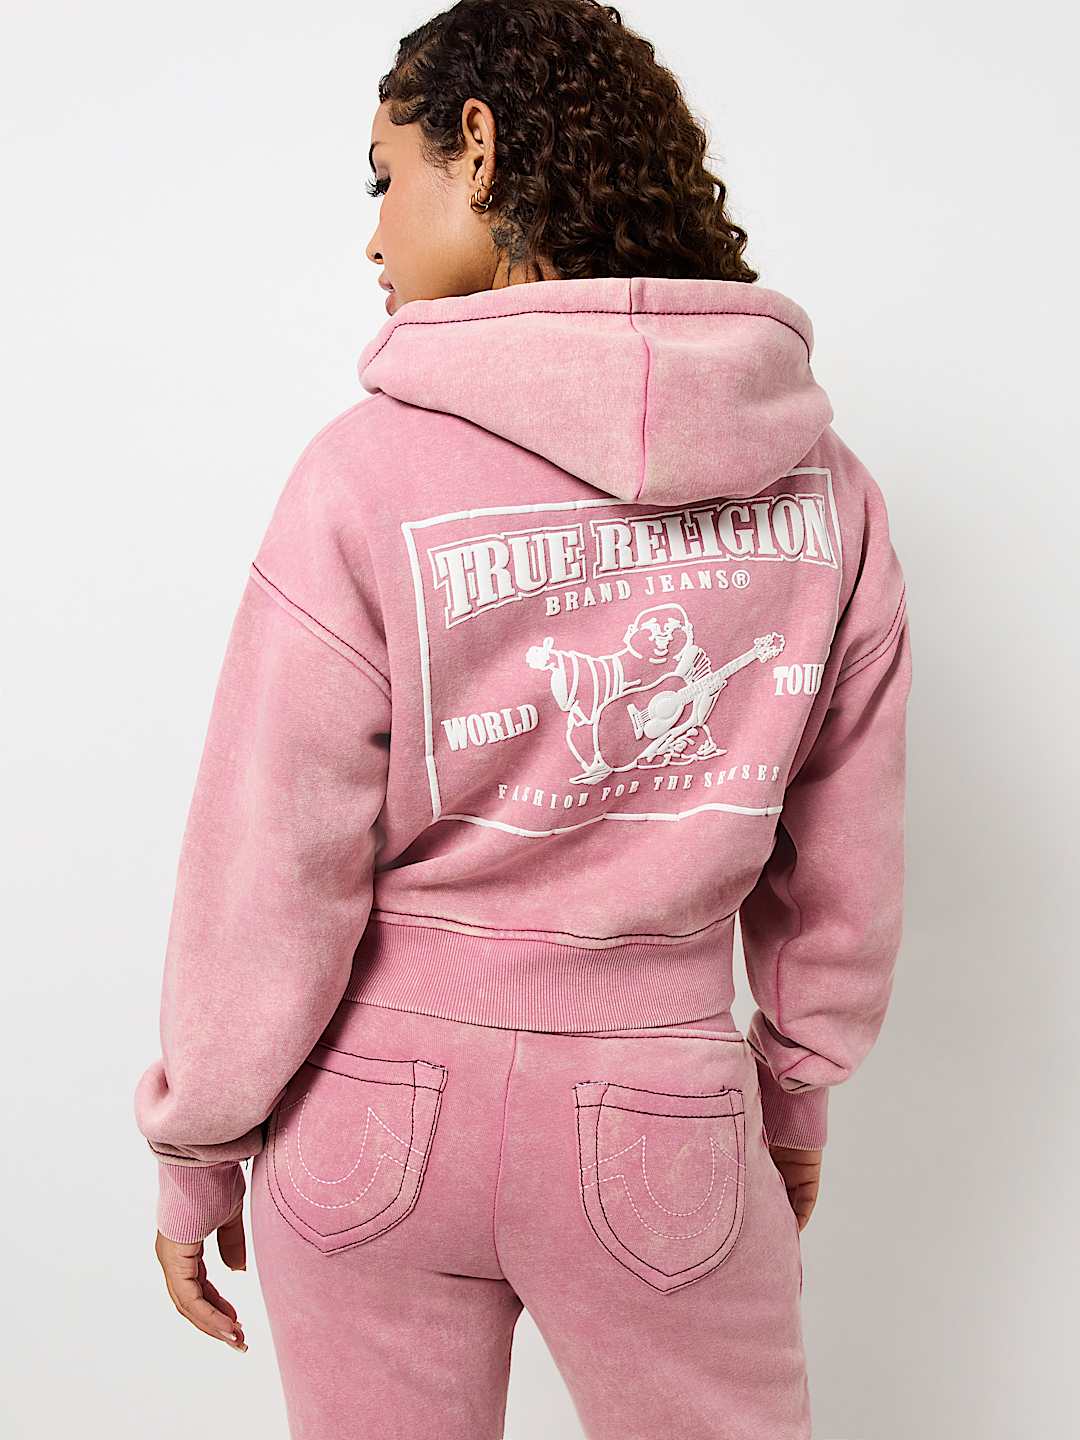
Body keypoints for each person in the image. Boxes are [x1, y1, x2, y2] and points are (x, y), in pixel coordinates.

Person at [132, 2, 912, 1436]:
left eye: (386, 177)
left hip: (367, 1112)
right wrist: (792, 1094)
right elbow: (845, 858)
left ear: (479, 148)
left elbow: (271, 855)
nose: (373, 238)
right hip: (665, 1119)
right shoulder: (827, 495)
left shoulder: (359, 476)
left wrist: (197, 1143)